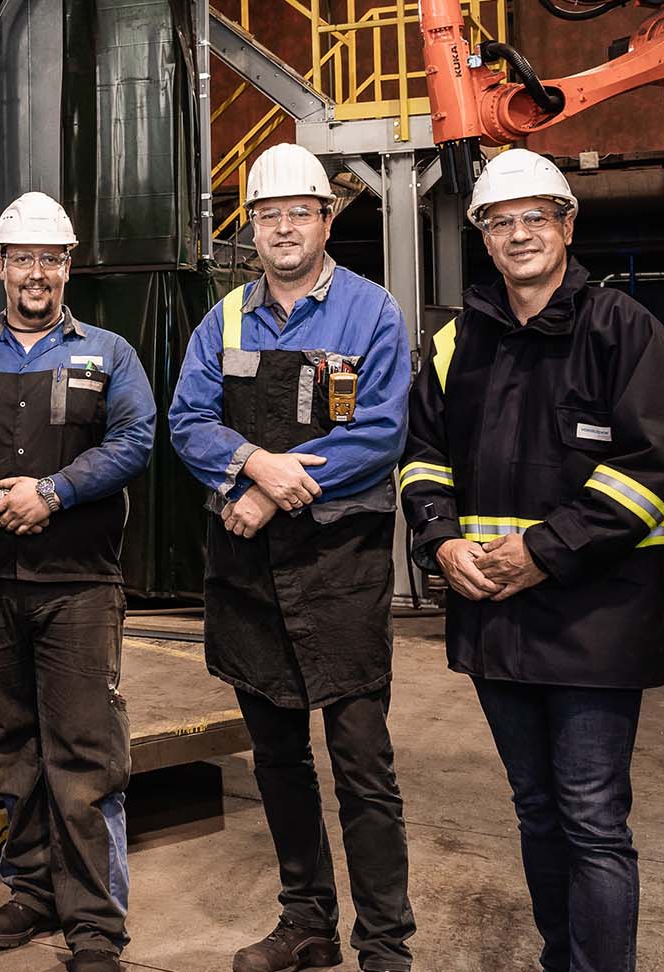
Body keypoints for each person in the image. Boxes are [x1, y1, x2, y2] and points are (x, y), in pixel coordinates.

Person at [400, 148, 664, 972]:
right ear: (483, 240)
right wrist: (441, 536)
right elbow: (423, 454)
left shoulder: (623, 329)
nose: (519, 233)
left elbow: (658, 467)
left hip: (597, 620)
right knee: (535, 809)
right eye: (501, 220)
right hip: (496, 616)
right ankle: (559, 959)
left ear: (568, 226)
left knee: (593, 815)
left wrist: (542, 550)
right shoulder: (459, 342)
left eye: (537, 216)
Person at [169, 142, 415, 972]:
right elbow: (187, 420)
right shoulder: (225, 317)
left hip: (338, 569)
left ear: (325, 220)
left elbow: (380, 430)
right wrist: (250, 462)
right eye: (268, 215)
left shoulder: (372, 312)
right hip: (247, 575)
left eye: (297, 213)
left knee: (361, 765)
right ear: (254, 227)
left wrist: (273, 487)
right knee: (276, 756)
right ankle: (305, 920)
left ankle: (384, 944)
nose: (282, 228)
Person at [0, 192, 154, 972]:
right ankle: (32, 889)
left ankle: (95, 923)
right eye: (22, 258)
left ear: (67, 268)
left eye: (50, 259)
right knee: (11, 748)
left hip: (80, 585)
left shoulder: (110, 354)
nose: (36, 273)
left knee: (86, 758)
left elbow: (134, 439)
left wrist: (50, 493)